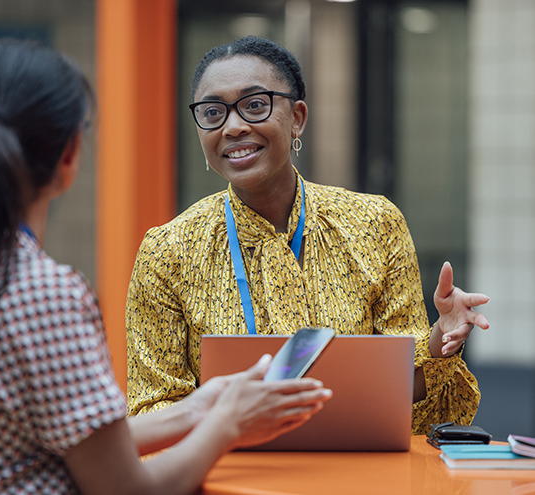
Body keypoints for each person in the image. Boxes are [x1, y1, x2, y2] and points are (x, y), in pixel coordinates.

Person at [0, 39, 333, 495]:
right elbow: (127, 488)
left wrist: (203, 408)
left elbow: (70, 441)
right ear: (71, 154)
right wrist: (229, 425)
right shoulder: (47, 295)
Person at [126, 36, 490, 435]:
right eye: (213, 112)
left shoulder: (374, 224)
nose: (233, 127)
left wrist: (440, 341)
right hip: (230, 475)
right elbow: (151, 407)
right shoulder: (168, 251)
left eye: (254, 105)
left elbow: (406, 398)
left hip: (356, 475)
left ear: (297, 117)